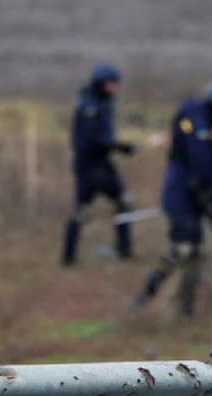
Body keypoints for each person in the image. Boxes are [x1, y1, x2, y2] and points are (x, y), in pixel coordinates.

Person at [129, 81, 212, 317]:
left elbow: (207, 169)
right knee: (184, 250)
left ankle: (185, 307)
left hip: (192, 199)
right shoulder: (195, 122)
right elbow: (202, 166)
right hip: (180, 198)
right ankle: (147, 294)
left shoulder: (201, 123)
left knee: (195, 253)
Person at [61, 64, 137, 266]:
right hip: (91, 165)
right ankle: (121, 250)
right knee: (97, 208)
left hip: (99, 163)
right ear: (101, 84)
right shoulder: (90, 107)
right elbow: (94, 139)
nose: (115, 89)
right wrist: (121, 147)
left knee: (116, 204)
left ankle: (122, 250)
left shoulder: (100, 103)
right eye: (112, 84)